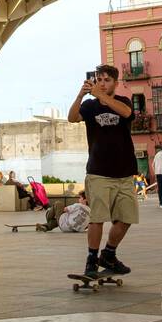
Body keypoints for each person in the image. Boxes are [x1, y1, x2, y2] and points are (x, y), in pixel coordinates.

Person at [67, 64, 138, 279]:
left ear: (116, 83)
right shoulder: (90, 106)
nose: (102, 83)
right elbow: (72, 118)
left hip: (124, 172)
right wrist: (81, 95)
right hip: (98, 171)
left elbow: (126, 113)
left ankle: (109, 254)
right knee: (97, 218)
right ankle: (91, 260)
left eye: (107, 80)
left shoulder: (123, 102)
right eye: (99, 79)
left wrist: (102, 96)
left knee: (126, 218)